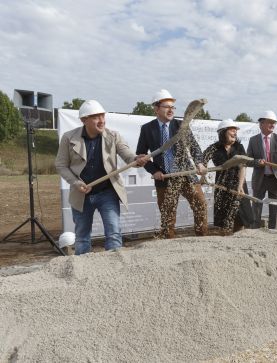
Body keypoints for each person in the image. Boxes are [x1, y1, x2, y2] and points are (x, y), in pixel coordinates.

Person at [55, 100, 148, 255]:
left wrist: (136, 160)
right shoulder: (68, 138)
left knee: (113, 233)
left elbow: (128, 155)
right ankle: (83, 270)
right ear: (84, 120)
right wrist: (76, 182)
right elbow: (61, 165)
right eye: (96, 117)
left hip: (107, 193)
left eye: (102, 116)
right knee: (82, 237)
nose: (101, 120)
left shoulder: (113, 136)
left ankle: (114, 267)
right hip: (81, 194)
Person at [137, 89, 208, 238]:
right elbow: (141, 156)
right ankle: (169, 243)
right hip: (164, 177)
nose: (171, 110)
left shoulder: (181, 125)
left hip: (186, 174)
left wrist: (199, 163)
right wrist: (154, 171)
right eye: (166, 106)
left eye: (173, 107)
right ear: (156, 109)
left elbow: (194, 147)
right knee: (167, 214)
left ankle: (202, 238)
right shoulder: (147, 129)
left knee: (200, 205)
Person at [202, 119, 253, 235]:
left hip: (238, 185)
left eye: (236, 131)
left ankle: (238, 240)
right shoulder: (214, 148)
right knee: (223, 221)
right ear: (223, 132)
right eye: (232, 130)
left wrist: (240, 186)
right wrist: (202, 173)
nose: (235, 133)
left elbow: (242, 166)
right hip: (222, 186)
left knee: (241, 219)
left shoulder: (239, 147)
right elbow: (202, 159)